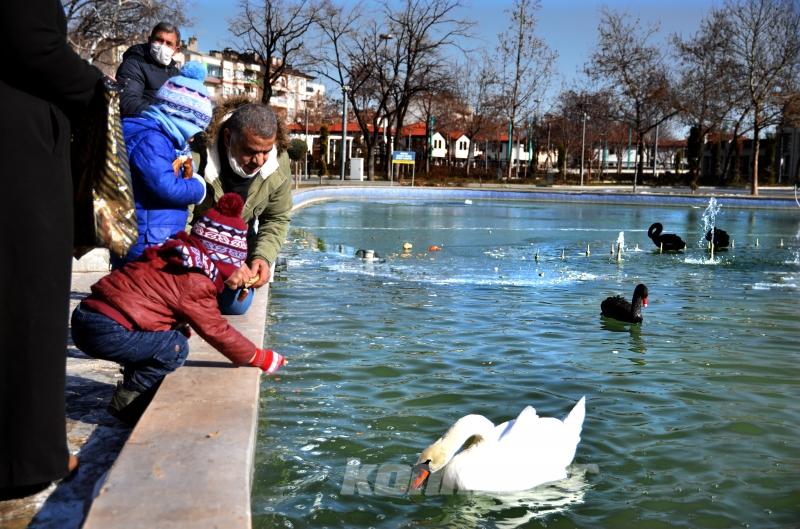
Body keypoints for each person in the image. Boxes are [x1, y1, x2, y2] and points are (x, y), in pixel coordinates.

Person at [0, 0, 104, 499]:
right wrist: (92, 84)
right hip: (19, 155)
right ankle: (25, 456)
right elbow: (30, 42)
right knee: (28, 302)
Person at [70, 193, 286, 425]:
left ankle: (135, 388)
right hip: (106, 330)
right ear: (223, 261)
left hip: (87, 316)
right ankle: (129, 402)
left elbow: (155, 300)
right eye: (235, 264)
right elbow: (216, 330)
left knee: (164, 338)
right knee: (175, 347)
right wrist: (258, 356)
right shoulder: (196, 280)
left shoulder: (176, 254)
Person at [191, 98, 293, 292]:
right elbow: (179, 224)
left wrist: (262, 257)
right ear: (228, 138)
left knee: (236, 307)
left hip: (239, 252)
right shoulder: (195, 155)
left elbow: (276, 218)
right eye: (250, 151)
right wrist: (216, 263)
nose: (259, 160)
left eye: (266, 151)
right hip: (195, 252)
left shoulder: (280, 158)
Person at [119, 60, 212, 265]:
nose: (194, 138)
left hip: (156, 235)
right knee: (139, 293)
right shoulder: (152, 139)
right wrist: (198, 187)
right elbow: (165, 186)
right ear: (181, 119)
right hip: (146, 241)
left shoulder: (166, 140)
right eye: (193, 130)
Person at [116, 22, 181, 117]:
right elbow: (128, 102)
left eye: (168, 43)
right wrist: (165, 115)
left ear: (176, 50)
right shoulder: (134, 63)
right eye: (159, 40)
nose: (163, 46)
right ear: (150, 41)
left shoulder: (177, 75)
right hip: (141, 126)